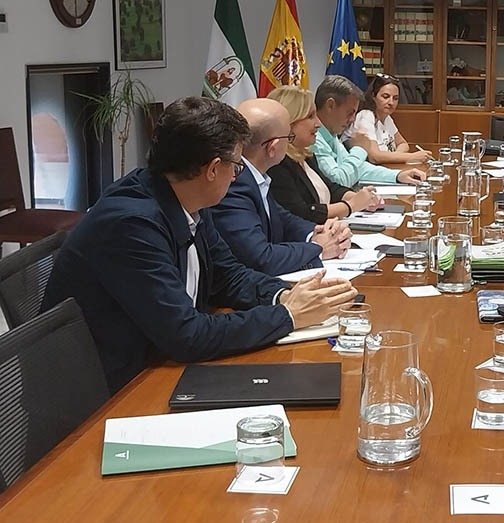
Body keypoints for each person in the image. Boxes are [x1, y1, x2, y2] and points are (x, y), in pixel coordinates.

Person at [41, 97, 357, 392]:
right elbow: (187, 336)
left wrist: (285, 294)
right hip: (114, 388)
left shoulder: (182, 198)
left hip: (155, 361)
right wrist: (287, 315)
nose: (237, 177)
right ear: (212, 169)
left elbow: (228, 275)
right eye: (236, 166)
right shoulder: (131, 225)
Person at [210, 98, 352, 277]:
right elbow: (260, 258)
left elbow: (282, 219)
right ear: (272, 147)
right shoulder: (233, 183)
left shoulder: (255, 175)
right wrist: (318, 248)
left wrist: (319, 233)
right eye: (289, 137)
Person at [266, 86, 380, 223]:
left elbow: (331, 187)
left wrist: (360, 197)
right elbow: (301, 212)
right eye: (310, 116)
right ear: (289, 122)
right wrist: (351, 205)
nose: (318, 123)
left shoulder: (305, 154)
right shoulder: (277, 164)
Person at [313, 75, 426, 187]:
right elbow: (338, 181)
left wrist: (398, 176)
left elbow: (360, 169)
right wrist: (360, 149)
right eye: (350, 112)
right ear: (330, 105)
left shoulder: (331, 135)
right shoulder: (314, 138)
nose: (352, 119)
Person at [342, 74, 433, 165]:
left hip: (386, 167)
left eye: (395, 98)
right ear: (373, 96)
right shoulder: (366, 116)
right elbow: (375, 157)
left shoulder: (386, 117)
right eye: (385, 97)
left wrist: (394, 157)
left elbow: (403, 144)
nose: (391, 102)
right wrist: (411, 157)